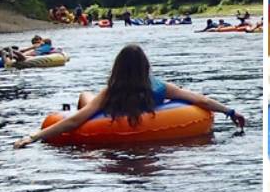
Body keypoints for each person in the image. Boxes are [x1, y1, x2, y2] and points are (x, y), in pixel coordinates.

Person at [13, 44, 245, 147]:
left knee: (85, 96)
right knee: (89, 96)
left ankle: (81, 99)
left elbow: (75, 121)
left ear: (118, 68)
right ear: (145, 66)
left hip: (108, 110)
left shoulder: (110, 92)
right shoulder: (160, 88)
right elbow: (200, 100)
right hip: (142, 111)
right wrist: (231, 112)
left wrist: (33, 137)